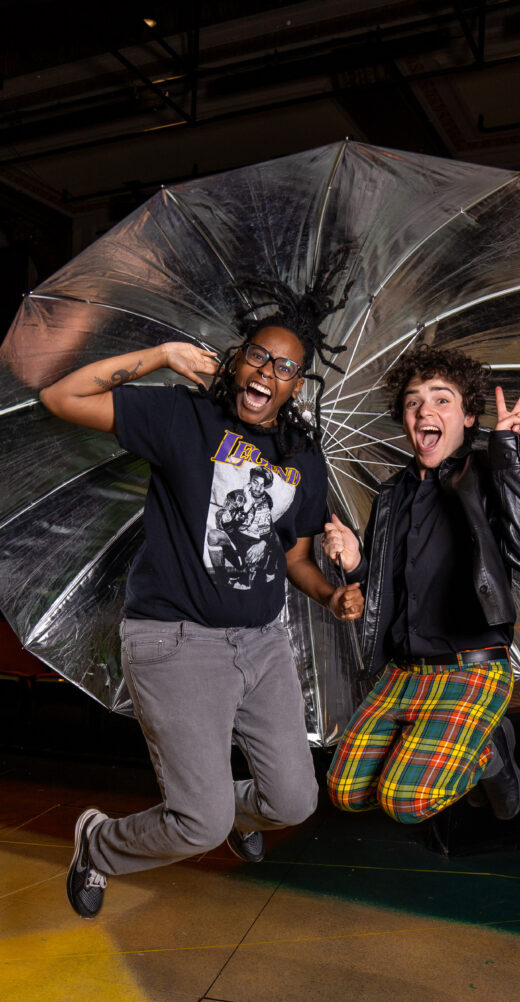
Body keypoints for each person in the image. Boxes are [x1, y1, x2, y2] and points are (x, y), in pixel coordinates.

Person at [39, 277, 364, 919]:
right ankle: (99, 843)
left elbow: (297, 556)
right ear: (237, 360)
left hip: (263, 643)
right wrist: (162, 356)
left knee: (295, 803)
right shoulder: (184, 417)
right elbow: (62, 394)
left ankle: (226, 806)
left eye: (286, 367)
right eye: (258, 356)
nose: (268, 371)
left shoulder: (303, 454)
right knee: (199, 824)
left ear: (297, 385)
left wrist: (331, 596)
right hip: (175, 641)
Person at [322, 345, 520, 826]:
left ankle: (491, 753)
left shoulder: (491, 475)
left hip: (470, 667)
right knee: (345, 792)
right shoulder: (391, 494)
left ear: (469, 416)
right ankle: (472, 747)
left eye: (441, 399)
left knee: (404, 802)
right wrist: (356, 562)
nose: (425, 410)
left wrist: (510, 454)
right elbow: (386, 587)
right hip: (404, 672)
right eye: (413, 401)